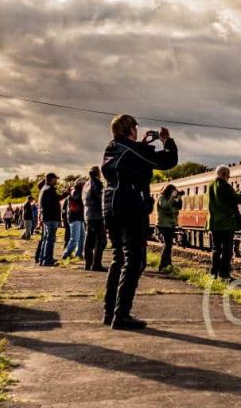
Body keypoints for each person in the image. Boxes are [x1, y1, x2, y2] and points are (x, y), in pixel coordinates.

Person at [101, 115, 177, 330]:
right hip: (129, 205)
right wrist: (166, 141)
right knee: (135, 261)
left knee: (118, 258)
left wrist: (140, 145)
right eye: (135, 127)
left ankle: (110, 312)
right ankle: (121, 315)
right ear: (131, 129)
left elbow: (130, 159)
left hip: (110, 205)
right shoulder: (133, 150)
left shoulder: (112, 148)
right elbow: (168, 161)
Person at [207, 165, 241, 280]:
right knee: (227, 250)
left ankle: (213, 273)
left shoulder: (211, 186)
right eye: (228, 175)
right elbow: (236, 199)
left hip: (214, 223)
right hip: (226, 223)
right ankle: (224, 274)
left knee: (216, 249)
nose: (229, 177)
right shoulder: (225, 186)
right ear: (224, 175)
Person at [82, 166, 106, 271]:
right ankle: (96, 264)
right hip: (97, 215)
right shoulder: (97, 184)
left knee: (89, 241)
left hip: (88, 215)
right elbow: (101, 199)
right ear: (97, 173)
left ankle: (88, 264)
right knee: (100, 240)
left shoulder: (86, 184)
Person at [37, 174, 62, 266]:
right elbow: (52, 204)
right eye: (56, 179)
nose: (56, 181)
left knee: (46, 239)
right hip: (51, 217)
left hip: (47, 217)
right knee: (50, 239)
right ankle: (47, 259)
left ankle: (42, 258)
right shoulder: (49, 189)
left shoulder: (44, 189)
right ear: (51, 179)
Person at [156, 184, 182, 271]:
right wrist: (172, 197)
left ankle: (167, 263)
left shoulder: (172, 200)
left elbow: (178, 207)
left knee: (169, 245)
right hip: (163, 224)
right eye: (172, 191)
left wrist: (179, 198)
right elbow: (166, 207)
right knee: (167, 244)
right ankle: (162, 264)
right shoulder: (161, 198)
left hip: (171, 224)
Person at [61, 180, 85, 260]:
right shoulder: (74, 191)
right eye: (83, 184)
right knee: (75, 237)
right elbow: (77, 199)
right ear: (80, 184)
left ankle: (79, 254)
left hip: (79, 217)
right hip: (75, 217)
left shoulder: (77, 191)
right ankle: (66, 253)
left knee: (82, 237)